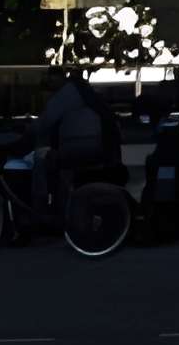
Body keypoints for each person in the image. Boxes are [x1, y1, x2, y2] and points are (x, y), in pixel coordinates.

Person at [31, 67, 119, 231]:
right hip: (100, 147)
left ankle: (43, 210)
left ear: (57, 78)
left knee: (40, 159)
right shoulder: (82, 91)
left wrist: (27, 131)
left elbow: (45, 121)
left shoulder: (67, 93)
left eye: (50, 81)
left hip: (82, 148)